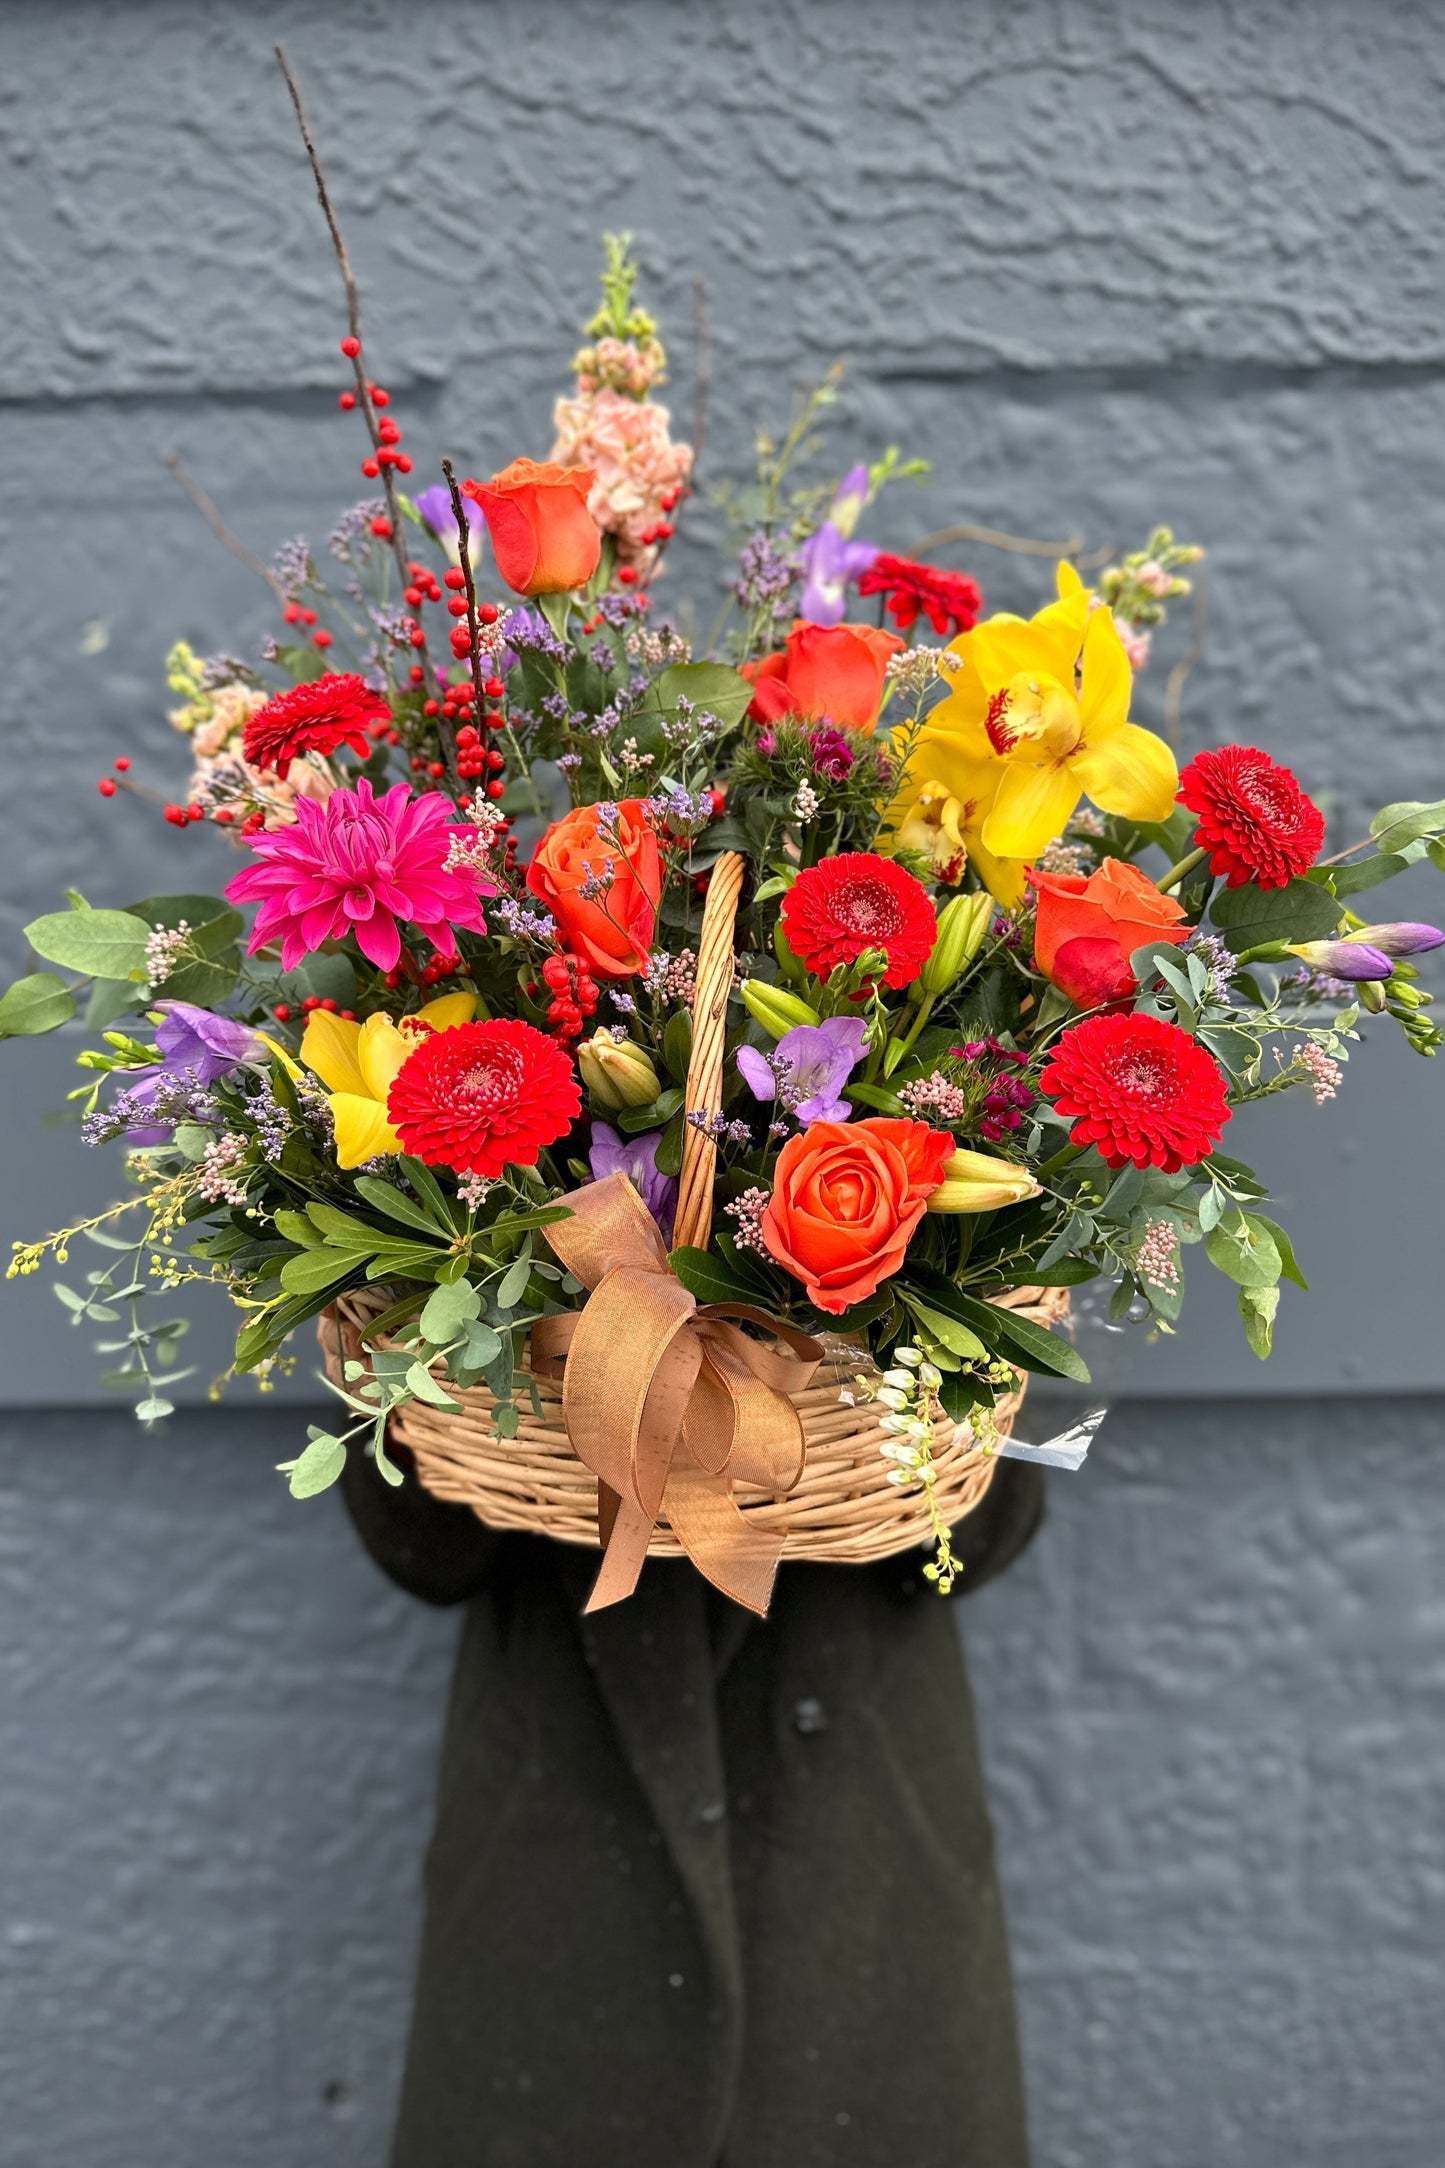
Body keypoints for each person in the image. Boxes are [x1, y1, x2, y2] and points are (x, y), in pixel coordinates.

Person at [340, 1444, 1044, 2168]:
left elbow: (988, 1530)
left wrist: (906, 1381)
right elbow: (423, 1547)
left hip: (857, 1850)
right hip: (560, 1852)